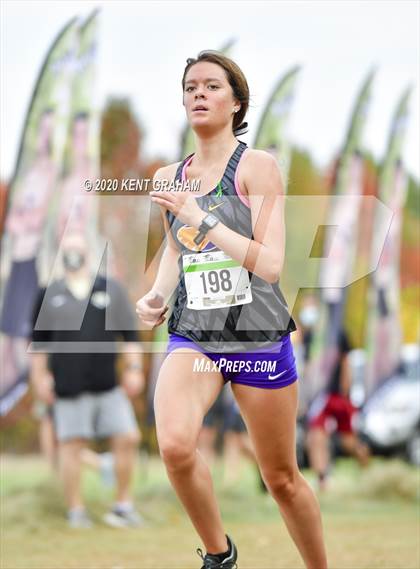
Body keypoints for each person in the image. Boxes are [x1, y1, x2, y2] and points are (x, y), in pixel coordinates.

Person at [136, 51, 328, 568]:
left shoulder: (258, 167)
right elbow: (178, 251)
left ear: (236, 102)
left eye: (211, 86)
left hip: (257, 336)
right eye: (190, 87)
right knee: (175, 445)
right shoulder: (168, 176)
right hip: (195, 332)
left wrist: (205, 217)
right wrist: (156, 295)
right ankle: (220, 557)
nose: (198, 94)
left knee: (282, 479)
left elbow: (270, 264)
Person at [30, 232, 144, 528]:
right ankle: (76, 512)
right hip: (68, 388)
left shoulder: (110, 290)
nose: (73, 255)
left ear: (89, 253)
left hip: (108, 384)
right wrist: (40, 378)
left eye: (78, 249)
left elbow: (130, 337)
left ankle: (122, 506)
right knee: (71, 446)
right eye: (68, 250)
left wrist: (133, 368)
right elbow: (38, 344)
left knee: (128, 437)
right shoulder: (48, 293)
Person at [306, 329, 371, 491]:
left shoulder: (335, 331)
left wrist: (345, 392)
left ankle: (325, 479)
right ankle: (324, 480)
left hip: (334, 397)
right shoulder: (315, 335)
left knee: (319, 438)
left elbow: (345, 361)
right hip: (335, 398)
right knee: (321, 438)